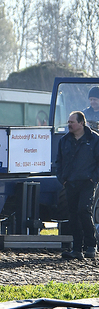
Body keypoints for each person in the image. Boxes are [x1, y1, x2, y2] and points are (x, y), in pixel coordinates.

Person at [56, 111, 99, 260]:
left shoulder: (94, 140)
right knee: (73, 216)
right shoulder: (64, 140)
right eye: (68, 122)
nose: (69, 125)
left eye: (72, 122)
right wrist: (62, 179)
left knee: (83, 211)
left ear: (82, 123)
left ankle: (91, 246)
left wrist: (94, 178)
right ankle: (76, 249)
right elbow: (59, 162)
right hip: (70, 183)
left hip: (87, 183)